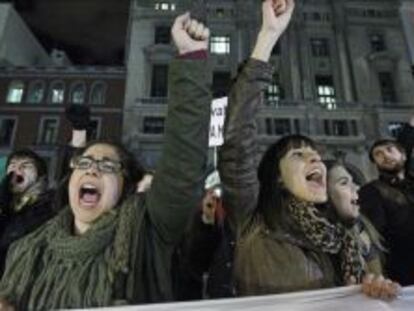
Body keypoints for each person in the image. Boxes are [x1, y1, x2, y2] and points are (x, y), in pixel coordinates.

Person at [0, 12, 212, 310]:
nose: (93, 168)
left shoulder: (145, 237)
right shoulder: (25, 250)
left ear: (126, 186)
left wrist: (191, 59)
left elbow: (182, 165)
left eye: (108, 165)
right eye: (84, 163)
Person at [218, 0, 394, 298]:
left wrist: (372, 288)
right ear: (277, 177)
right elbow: (236, 141)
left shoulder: (344, 235)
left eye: (314, 154)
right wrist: (268, 37)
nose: (315, 158)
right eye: (298, 154)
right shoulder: (255, 222)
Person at [325, 160, 400, 299]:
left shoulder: (365, 230)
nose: (357, 187)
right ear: (323, 194)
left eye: (353, 181)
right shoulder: (320, 246)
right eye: (344, 183)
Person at [359, 114, 414, 285]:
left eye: (390, 150)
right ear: (375, 163)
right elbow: (376, 238)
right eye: (378, 154)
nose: (385, 156)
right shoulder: (371, 191)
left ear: (404, 156)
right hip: (404, 276)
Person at [173, 170, 236, 300]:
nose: (216, 197)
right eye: (211, 192)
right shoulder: (196, 218)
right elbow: (196, 258)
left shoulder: (233, 216)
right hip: (207, 293)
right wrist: (207, 222)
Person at [0, 148, 55, 277]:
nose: (17, 170)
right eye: (12, 165)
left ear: (39, 176)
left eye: (25, 166)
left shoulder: (47, 208)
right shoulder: (5, 204)